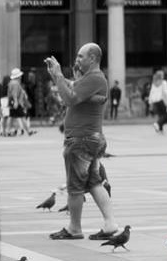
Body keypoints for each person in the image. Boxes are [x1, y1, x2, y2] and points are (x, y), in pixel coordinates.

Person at [46, 43, 119, 241]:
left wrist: (59, 76)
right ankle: (110, 223)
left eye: (80, 56)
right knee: (94, 182)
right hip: (90, 138)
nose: (77, 60)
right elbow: (73, 89)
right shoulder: (92, 79)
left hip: (81, 140)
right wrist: (57, 76)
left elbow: (70, 99)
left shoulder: (95, 77)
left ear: (93, 58)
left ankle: (74, 228)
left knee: (75, 187)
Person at [6, 68, 33, 137]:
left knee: (11, 117)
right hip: (16, 102)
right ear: (18, 76)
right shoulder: (16, 83)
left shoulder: (11, 82)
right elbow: (14, 93)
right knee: (22, 116)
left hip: (12, 102)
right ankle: (28, 131)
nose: (21, 77)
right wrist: (16, 102)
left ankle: (8, 131)